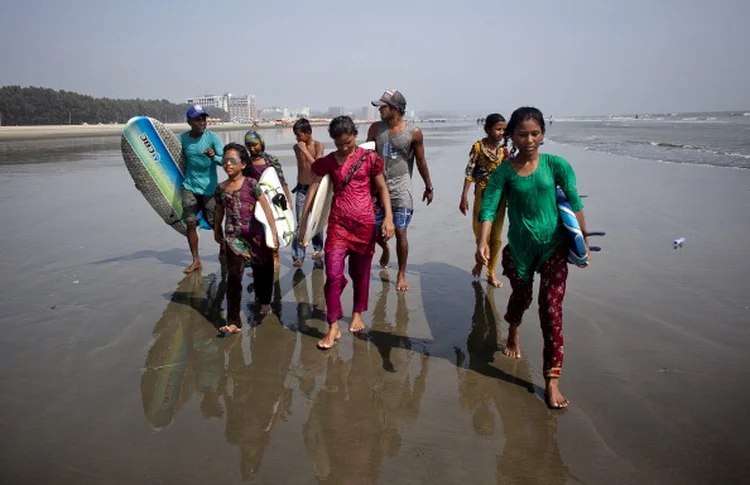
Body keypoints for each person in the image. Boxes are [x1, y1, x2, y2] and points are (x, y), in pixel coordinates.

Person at [475, 107, 590, 409]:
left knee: (550, 309)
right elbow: (489, 207)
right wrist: (484, 241)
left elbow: (575, 204)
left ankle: (552, 381)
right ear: (511, 135)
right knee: (521, 299)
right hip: (521, 250)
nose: (529, 140)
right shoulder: (503, 171)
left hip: (553, 248)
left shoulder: (556, 165)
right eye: (523, 134)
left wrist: (583, 244)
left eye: (535, 134)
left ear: (543, 134)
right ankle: (513, 329)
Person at [298, 116, 395, 349]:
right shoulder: (329, 161)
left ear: (355, 135)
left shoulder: (370, 158)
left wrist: (388, 218)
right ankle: (333, 326)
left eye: (347, 143)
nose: (343, 148)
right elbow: (314, 189)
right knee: (332, 275)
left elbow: (382, 187)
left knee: (361, 274)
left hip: (365, 225)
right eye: (339, 144)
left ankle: (357, 313)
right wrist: (304, 226)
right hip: (338, 224)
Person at [367, 89, 433, 292]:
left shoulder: (413, 132)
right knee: (374, 231)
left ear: (395, 109)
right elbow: (368, 156)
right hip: (379, 186)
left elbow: (420, 161)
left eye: (383, 107)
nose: (379, 111)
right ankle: (385, 248)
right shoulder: (375, 129)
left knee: (401, 232)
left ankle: (401, 273)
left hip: (401, 187)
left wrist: (428, 185)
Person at [214, 143, 279, 334]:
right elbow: (219, 210)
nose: (228, 164)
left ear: (243, 164)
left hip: (257, 236)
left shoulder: (252, 183)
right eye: (225, 160)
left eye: (232, 160)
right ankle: (234, 321)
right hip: (233, 238)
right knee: (234, 278)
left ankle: (265, 301)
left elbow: (266, 207)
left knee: (263, 272)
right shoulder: (220, 188)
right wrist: (216, 229)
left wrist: (273, 232)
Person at [459, 113, 509, 288]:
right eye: (498, 129)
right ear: (488, 130)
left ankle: (491, 272)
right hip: (482, 192)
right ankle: (480, 259)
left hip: (500, 197)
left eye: (503, 129)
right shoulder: (478, 148)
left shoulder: (505, 151)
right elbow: (469, 172)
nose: (501, 132)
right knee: (480, 232)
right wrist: (464, 196)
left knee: (496, 236)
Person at [180, 105, 225, 274]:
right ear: (189, 122)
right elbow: (172, 160)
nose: (201, 123)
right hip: (189, 186)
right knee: (190, 223)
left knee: (215, 223)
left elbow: (224, 161)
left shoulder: (212, 138)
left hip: (209, 188)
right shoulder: (183, 139)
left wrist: (214, 156)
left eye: (203, 119)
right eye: (197, 120)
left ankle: (224, 251)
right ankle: (196, 261)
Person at [243, 130, 292, 270]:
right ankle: (258, 258)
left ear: (261, 143)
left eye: (254, 144)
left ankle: (275, 255)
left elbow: (281, 182)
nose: (252, 148)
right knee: (256, 230)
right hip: (254, 200)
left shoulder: (271, 160)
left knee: (273, 227)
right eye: (248, 145)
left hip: (272, 200)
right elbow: (244, 182)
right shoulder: (246, 162)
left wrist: (287, 201)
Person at [290, 118, 325, 267]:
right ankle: (298, 256)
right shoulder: (295, 147)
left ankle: (317, 249)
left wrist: (305, 150)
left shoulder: (318, 146)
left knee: (316, 222)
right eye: (296, 136)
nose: (298, 139)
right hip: (302, 189)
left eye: (299, 135)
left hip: (316, 189)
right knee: (300, 222)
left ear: (308, 133)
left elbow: (318, 166)